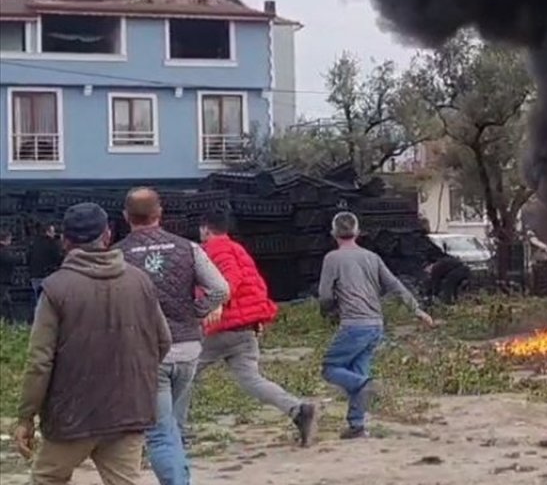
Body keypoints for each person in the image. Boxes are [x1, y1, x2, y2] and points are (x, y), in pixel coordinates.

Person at [13, 203, 171, 485]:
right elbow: (162, 341)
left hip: (72, 416)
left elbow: (40, 362)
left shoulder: (55, 288)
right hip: (127, 410)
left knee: (47, 480)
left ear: (66, 241)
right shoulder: (140, 281)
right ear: (108, 235)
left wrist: (26, 417)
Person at [175, 209, 318, 446]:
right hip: (245, 328)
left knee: (182, 375)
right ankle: (297, 410)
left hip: (222, 328)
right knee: (251, 378)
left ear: (205, 229)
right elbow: (256, 286)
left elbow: (227, 279)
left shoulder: (215, 250)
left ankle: (175, 433)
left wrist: (215, 303)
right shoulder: (238, 249)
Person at [115, 188, 228, 485]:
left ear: (126, 217)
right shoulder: (189, 248)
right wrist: (196, 311)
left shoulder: (117, 256)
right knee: (174, 426)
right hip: (188, 347)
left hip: (147, 352)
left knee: (159, 433)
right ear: (160, 213)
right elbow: (221, 288)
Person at [318, 211, 435, 439]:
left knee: (331, 368)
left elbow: (324, 295)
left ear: (334, 233)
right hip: (376, 325)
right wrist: (417, 310)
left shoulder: (332, 258)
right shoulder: (372, 257)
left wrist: (327, 312)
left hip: (354, 324)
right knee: (358, 369)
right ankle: (357, 425)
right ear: (358, 232)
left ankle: (366, 385)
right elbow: (395, 284)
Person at [28, 222, 65, 300]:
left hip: (34, 274)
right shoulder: (52, 244)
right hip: (47, 275)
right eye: (53, 232)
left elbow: (28, 256)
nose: (54, 234)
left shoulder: (34, 242)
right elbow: (58, 258)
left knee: (39, 300)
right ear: (47, 232)